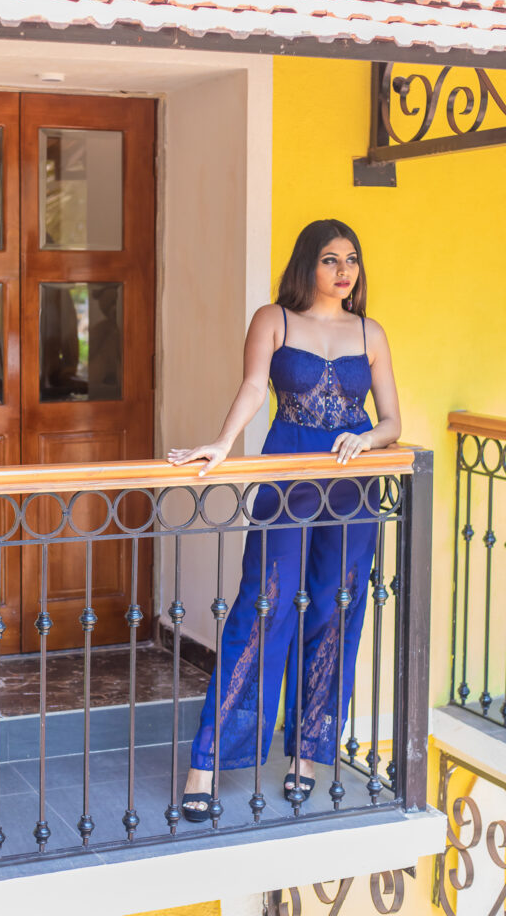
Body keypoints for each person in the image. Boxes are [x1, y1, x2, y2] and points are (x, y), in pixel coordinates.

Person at [167, 219, 401, 821]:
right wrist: (222, 444)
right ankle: (207, 762)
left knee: (333, 611)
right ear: (307, 264)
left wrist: (368, 438)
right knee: (261, 610)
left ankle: (307, 753)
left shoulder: (371, 332)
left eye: (352, 259)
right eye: (330, 259)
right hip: (287, 481)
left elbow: (391, 422)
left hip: (352, 491)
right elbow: (252, 388)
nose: (344, 270)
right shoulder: (274, 319)